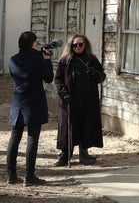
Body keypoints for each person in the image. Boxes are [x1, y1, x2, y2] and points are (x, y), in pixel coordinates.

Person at [6, 31, 54, 186]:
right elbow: (48, 78)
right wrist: (47, 60)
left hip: (18, 101)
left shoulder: (13, 60)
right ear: (33, 43)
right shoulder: (38, 59)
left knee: (15, 138)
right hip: (33, 102)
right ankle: (29, 176)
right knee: (32, 139)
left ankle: (11, 175)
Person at [54, 34, 106, 166]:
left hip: (87, 100)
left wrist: (95, 73)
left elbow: (101, 77)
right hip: (70, 100)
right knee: (68, 127)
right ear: (71, 46)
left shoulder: (91, 59)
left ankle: (84, 154)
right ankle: (65, 155)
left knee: (86, 125)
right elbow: (58, 79)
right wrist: (63, 93)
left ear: (85, 45)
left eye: (80, 44)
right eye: (75, 45)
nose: (78, 47)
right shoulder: (65, 60)